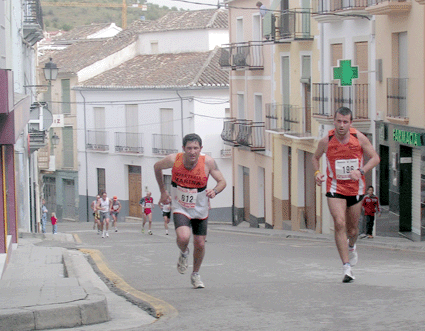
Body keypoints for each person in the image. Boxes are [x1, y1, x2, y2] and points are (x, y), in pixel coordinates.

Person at [312, 107, 380, 283]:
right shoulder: (326, 140)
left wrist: (361, 171)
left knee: (352, 229)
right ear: (334, 121)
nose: (341, 125)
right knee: (339, 223)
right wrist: (317, 173)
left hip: (356, 189)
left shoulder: (358, 138)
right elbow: (315, 158)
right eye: (339, 121)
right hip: (335, 187)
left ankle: (352, 246)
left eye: (345, 122)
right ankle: (346, 268)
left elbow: (375, 158)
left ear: (351, 123)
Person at [154, 133, 226, 289]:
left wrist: (214, 191)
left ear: (201, 149)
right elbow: (156, 167)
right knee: (184, 237)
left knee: (199, 243)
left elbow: (222, 182)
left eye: (196, 148)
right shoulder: (174, 160)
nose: (192, 152)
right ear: (183, 149)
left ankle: (195, 274)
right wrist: (162, 191)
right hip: (180, 206)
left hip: (200, 208)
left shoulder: (208, 162)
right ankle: (184, 252)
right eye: (189, 148)